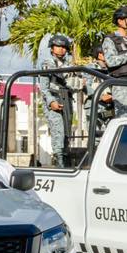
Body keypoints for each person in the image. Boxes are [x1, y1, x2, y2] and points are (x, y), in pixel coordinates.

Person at [38, 34, 76, 168]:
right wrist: (51, 102)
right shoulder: (47, 63)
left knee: (66, 132)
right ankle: (59, 161)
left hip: (67, 99)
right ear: (52, 48)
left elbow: (72, 83)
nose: (61, 49)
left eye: (64, 47)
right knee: (58, 131)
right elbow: (43, 88)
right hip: (54, 98)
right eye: (58, 46)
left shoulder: (69, 64)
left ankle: (65, 160)